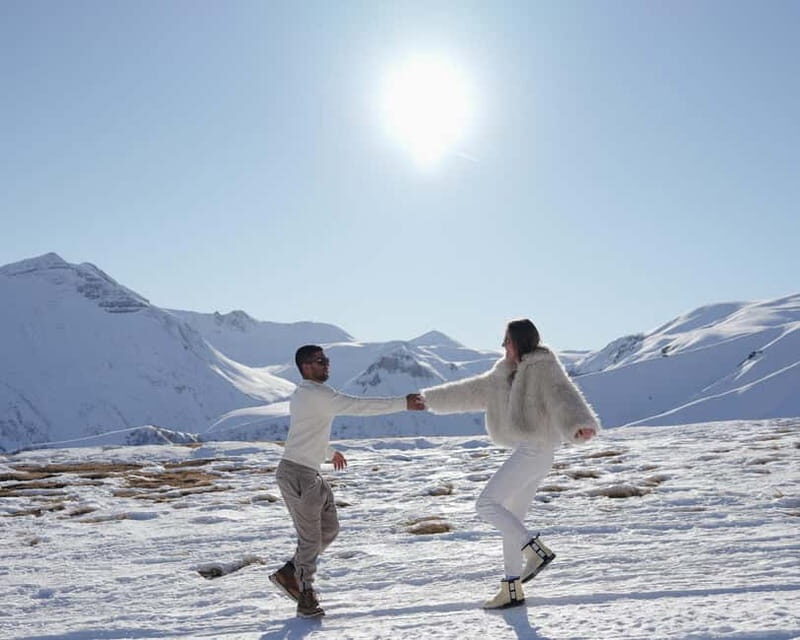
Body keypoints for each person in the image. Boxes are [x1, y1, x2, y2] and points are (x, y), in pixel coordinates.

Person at [421, 319, 599, 609]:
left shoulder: (542, 366)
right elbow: (470, 391)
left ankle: (534, 551)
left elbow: (562, 394)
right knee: (510, 521)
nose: (503, 346)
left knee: (486, 504)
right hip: (536, 452)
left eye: (507, 341)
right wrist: (428, 399)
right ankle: (511, 588)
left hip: (535, 449)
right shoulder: (504, 374)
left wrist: (579, 423)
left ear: (519, 341)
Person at [269, 344, 426, 618]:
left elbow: (304, 431)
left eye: (326, 359)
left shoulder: (306, 395)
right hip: (297, 474)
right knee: (309, 539)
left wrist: (328, 452)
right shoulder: (316, 393)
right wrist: (403, 403)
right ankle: (306, 596)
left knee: (328, 531)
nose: (326, 364)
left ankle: (289, 573)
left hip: (308, 471)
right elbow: (359, 405)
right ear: (306, 367)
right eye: (320, 361)